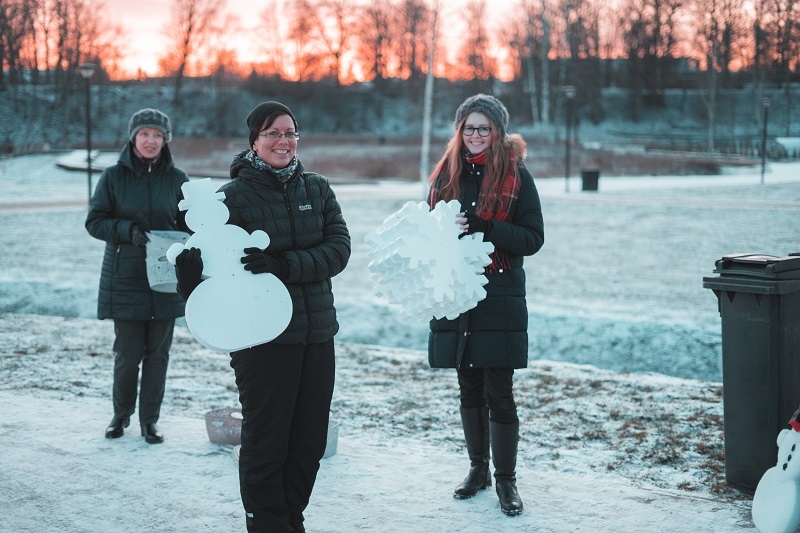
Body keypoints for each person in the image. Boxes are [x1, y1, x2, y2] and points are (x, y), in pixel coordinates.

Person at [174, 101, 351, 533]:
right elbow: (211, 272)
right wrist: (190, 278)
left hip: (317, 333)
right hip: (260, 337)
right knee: (268, 438)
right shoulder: (231, 199)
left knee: (309, 440)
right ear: (254, 140)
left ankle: (291, 519)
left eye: (290, 133)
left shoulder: (318, 189)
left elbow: (339, 250)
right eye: (272, 133)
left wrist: (283, 265)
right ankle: (267, 523)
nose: (283, 141)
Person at [427, 94, 545, 516]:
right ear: (459, 131)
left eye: (484, 128)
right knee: (469, 387)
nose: (475, 135)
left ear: (498, 132)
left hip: (499, 294)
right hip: (458, 292)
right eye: (469, 128)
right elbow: (429, 231)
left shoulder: (517, 174)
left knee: (500, 391)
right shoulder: (446, 174)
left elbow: (533, 238)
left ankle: (505, 480)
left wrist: (487, 228)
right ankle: (477, 469)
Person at [85, 108, 189, 445]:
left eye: (157, 135)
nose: (151, 140)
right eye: (145, 133)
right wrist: (128, 231)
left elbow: (191, 225)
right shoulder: (113, 177)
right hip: (125, 277)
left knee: (158, 355)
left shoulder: (178, 179)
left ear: (165, 140)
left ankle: (149, 421)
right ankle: (120, 416)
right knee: (127, 355)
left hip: (165, 278)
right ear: (133, 137)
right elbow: (95, 222)